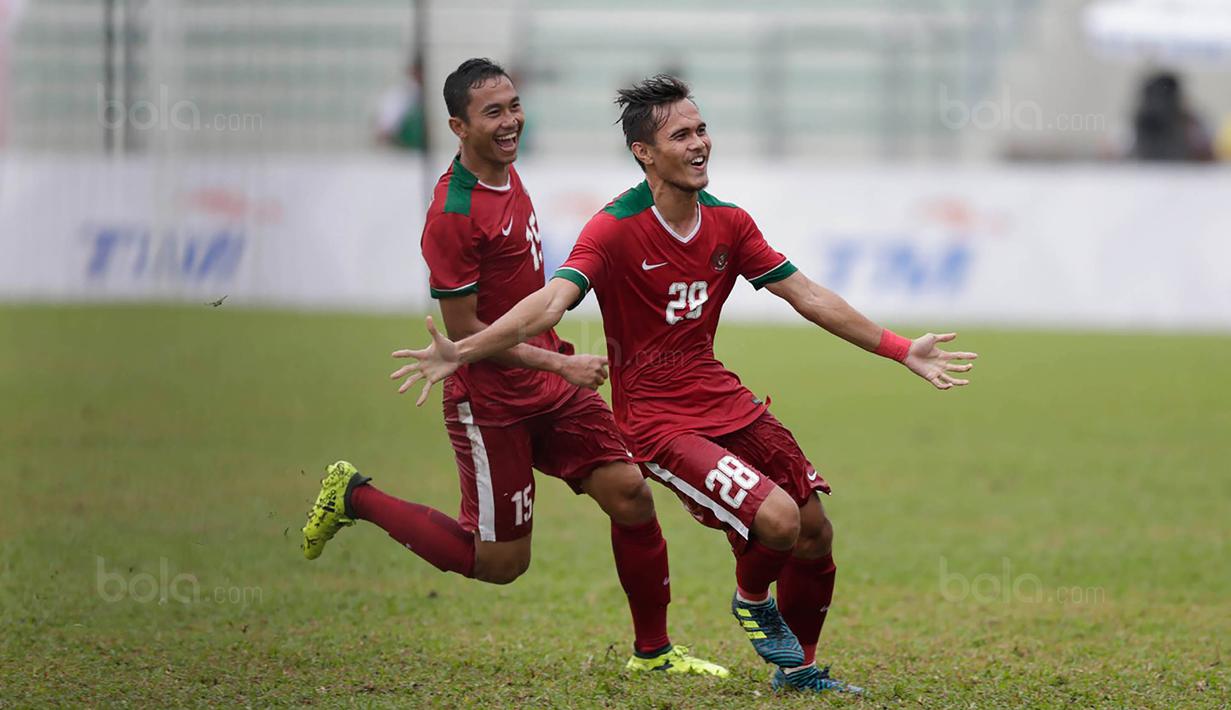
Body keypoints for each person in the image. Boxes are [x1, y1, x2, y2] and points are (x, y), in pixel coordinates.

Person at [390, 75, 978, 695]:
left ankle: (798, 671)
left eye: (702, 130)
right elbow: (551, 302)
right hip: (657, 422)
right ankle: (751, 599)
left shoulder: (730, 222)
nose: (699, 144)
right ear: (644, 152)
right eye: (681, 136)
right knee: (778, 521)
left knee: (814, 530)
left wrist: (901, 349)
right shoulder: (613, 229)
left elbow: (807, 295)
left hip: (720, 396)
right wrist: (464, 350)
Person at [302, 61, 727, 678]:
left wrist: (555, 364)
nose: (511, 122)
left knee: (631, 495)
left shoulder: (506, 170)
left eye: (514, 106)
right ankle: (355, 496)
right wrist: (560, 362)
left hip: (552, 383)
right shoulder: (453, 214)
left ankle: (654, 652)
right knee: (502, 564)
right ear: (458, 126)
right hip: (490, 400)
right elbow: (464, 336)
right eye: (493, 113)